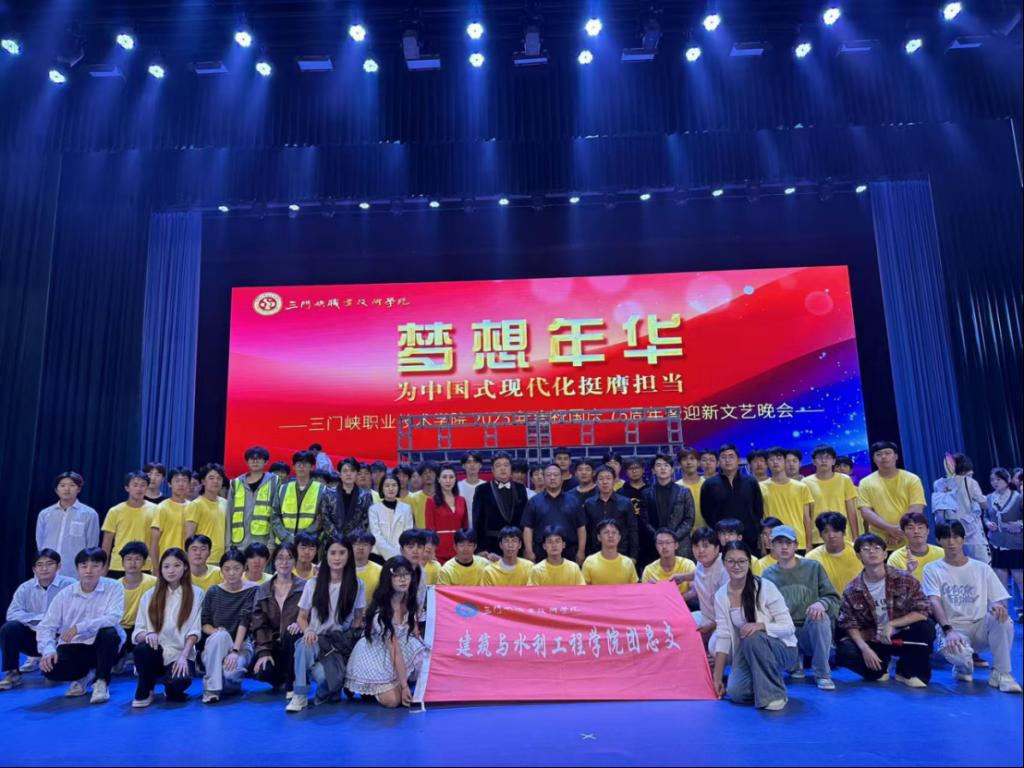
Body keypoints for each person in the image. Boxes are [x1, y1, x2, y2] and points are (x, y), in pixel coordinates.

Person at [923, 521, 1021, 692]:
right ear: (938, 540)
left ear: (963, 539)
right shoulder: (932, 569)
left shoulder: (982, 568)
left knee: (1003, 619)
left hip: (980, 626)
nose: (951, 542)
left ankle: (1002, 673)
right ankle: (963, 667)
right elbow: (934, 601)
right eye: (946, 537)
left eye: (955, 537)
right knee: (959, 655)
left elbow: (998, 598)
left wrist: (997, 605)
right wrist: (948, 630)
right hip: (953, 628)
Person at [835, 533, 935, 687]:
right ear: (858, 555)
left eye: (877, 548)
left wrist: (892, 624)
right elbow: (849, 623)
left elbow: (923, 610)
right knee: (845, 650)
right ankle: (880, 668)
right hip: (874, 639)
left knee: (926, 627)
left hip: (902, 636)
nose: (872, 552)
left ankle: (906, 669)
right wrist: (864, 648)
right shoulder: (852, 589)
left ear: (885, 554)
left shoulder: (905, 579)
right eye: (866, 549)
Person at [712, 542, 797, 710]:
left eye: (741, 561)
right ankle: (764, 684)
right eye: (731, 561)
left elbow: (789, 627)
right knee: (736, 693)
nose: (736, 566)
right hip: (747, 651)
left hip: (782, 648)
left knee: (753, 636)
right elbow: (723, 637)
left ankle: (775, 694)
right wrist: (717, 677)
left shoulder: (766, 587)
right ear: (724, 563)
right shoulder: (720, 596)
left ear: (749, 563)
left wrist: (761, 626)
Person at [34, 547, 124, 703]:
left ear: (103, 568)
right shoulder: (65, 594)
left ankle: (101, 681)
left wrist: (79, 627)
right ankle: (83, 675)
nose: (89, 570)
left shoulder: (114, 587)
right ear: (77, 569)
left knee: (109, 633)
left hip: (103, 644)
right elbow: (46, 626)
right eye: (84, 566)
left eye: (95, 565)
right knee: (50, 669)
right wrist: (48, 650)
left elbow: (114, 617)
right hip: (74, 644)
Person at [289, 535, 366, 711]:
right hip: (316, 639)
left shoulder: (357, 585)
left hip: (338, 644)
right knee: (303, 645)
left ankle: (327, 691)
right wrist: (308, 630)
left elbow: (357, 619)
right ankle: (299, 695)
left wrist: (348, 648)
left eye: (342, 553)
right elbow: (301, 617)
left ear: (349, 555)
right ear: (326, 555)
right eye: (333, 553)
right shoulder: (313, 584)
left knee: (325, 677)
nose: (337, 558)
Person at [761, 525, 840, 690]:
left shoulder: (813, 567)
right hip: (785, 633)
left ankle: (822, 673)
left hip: (810, 630)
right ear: (771, 546)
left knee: (820, 617)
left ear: (796, 545)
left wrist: (822, 603)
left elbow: (833, 599)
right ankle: (793, 663)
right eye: (779, 542)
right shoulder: (767, 575)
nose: (784, 547)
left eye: (788, 543)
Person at [346, 556, 428, 707]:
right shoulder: (382, 611)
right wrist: (404, 687)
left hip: (401, 647)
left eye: (406, 574)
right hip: (376, 654)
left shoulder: (411, 601)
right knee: (393, 701)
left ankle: (398, 682)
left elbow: (414, 633)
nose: (403, 579)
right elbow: (394, 649)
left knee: (423, 655)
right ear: (388, 579)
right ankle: (368, 688)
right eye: (397, 575)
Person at [131, 547, 202, 707]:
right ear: (161, 569)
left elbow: (194, 631)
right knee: (143, 648)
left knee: (178, 684)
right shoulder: (149, 595)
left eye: (176, 565)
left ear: (185, 567)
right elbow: (138, 631)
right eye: (166, 566)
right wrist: (148, 635)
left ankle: (170, 687)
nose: (171, 570)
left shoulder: (196, 594)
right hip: (155, 652)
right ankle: (146, 689)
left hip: (180, 654)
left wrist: (184, 657)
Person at [0, 549, 75, 689]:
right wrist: (42, 618)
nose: (44, 568)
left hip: (60, 639)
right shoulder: (25, 588)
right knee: (9, 628)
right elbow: (12, 614)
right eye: (39, 565)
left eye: (49, 564)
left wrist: (51, 622)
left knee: (53, 678)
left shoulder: (70, 585)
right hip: (33, 637)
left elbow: (76, 614)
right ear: (34, 569)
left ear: (58, 566)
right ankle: (12, 672)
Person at [200, 548, 256, 703]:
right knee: (220, 635)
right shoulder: (213, 592)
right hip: (215, 645)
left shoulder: (252, 590)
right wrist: (215, 631)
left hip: (241, 645)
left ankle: (228, 686)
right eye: (227, 569)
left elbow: (245, 621)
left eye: (236, 568)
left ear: (244, 568)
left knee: (229, 675)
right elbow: (204, 623)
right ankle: (211, 690)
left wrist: (235, 651)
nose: (232, 573)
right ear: (221, 570)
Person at [249, 544, 306, 696]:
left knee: (293, 633)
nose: (284, 562)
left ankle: (294, 682)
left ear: (295, 561)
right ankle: (282, 678)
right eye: (280, 558)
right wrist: (264, 652)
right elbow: (258, 623)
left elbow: (312, 614)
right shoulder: (263, 589)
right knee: (262, 671)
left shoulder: (305, 587)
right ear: (273, 561)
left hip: (296, 645)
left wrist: (301, 624)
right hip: (273, 645)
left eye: (289, 558)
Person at [856, 441, 926, 551]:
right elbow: (865, 511)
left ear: (896, 456)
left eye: (887, 453)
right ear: (873, 459)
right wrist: (889, 529)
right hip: (879, 542)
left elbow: (917, 507)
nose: (883, 457)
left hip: (910, 538)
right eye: (879, 454)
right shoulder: (865, 482)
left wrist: (899, 530)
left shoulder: (912, 479)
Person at [701, 444, 764, 553]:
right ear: (719, 462)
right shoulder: (709, 484)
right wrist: (720, 530)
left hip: (749, 537)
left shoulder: (750, 482)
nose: (727, 460)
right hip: (721, 539)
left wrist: (754, 530)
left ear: (738, 460)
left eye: (731, 456)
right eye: (723, 457)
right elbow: (706, 512)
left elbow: (758, 509)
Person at [36, 471, 99, 578]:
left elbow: (91, 546)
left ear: (79, 489)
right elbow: (40, 543)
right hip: (47, 570)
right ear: (56, 490)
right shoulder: (45, 514)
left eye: (72, 485)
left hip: (74, 570)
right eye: (62, 485)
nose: (67, 489)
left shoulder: (89, 514)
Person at [522, 464, 587, 565]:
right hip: (541, 552)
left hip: (569, 552)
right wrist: (529, 551)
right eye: (548, 475)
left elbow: (581, 528)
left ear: (562, 479)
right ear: (544, 478)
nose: (552, 478)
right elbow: (528, 529)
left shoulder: (574, 500)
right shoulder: (534, 501)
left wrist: (581, 551)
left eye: (556, 475)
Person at [933, 453, 990, 563]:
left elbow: (938, 513)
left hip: (950, 535)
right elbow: (985, 505)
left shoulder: (938, 484)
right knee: (982, 567)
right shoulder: (970, 482)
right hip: (972, 535)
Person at [472, 451, 529, 559]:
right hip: (490, 547)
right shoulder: (482, 490)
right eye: (498, 466)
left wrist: (526, 547)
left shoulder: (520, 488)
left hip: (516, 545)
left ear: (511, 468)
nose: (503, 468)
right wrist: (479, 549)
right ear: (492, 470)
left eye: (506, 465)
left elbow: (525, 520)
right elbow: (477, 522)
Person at [101, 472, 157, 578]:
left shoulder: (156, 510)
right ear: (127, 488)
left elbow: (156, 542)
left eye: (143, 485)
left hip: (145, 565)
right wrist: (103, 567)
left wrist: (156, 566)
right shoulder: (115, 511)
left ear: (147, 488)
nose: (139, 489)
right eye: (135, 485)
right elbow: (107, 543)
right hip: (118, 565)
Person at [759, 447, 814, 552]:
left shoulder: (801, 487)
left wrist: (809, 545)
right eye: (771, 459)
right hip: (772, 542)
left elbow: (807, 519)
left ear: (785, 461)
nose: (775, 462)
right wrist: (762, 546)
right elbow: (760, 519)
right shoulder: (760, 487)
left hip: (798, 541)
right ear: (767, 464)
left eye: (779, 458)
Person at [803, 445, 861, 545]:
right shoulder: (805, 482)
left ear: (834, 461)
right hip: (817, 536)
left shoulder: (844, 480)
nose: (823, 461)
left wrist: (856, 537)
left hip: (842, 535)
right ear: (814, 461)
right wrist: (808, 542)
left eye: (827, 457)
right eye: (820, 457)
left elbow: (851, 511)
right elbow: (806, 515)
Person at [271, 451, 332, 546]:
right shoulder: (282, 488)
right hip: (284, 543)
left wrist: (303, 537)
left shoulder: (322, 489)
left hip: (310, 542)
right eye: (298, 464)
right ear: (293, 467)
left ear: (312, 467)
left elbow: (322, 518)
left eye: (305, 464)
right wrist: (285, 536)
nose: (301, 467)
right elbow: (274, 515)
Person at [642, 453, 696, 559]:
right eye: (658, 465)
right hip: (656, 545)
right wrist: (659, 537)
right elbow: (645, 520)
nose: (663, 468)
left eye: (666, 465)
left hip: (680, 544)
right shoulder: (646, 493)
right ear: (653, 470)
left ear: (672, 470)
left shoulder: (684, 491)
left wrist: (673, 537)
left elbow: (689, 519)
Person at [228, 446, 280, 551]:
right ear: (247, 462)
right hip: (238, 544)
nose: (255, 461)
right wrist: (228, 545)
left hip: (263, 543)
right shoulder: (236, 483)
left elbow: (275, 514)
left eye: (259, 458)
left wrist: (271, 544)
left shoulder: (274, 481)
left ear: (266, 462)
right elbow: (229, 514)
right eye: (252, 458)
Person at [114, 542, 156, 673]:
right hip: (121, 628)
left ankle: (140, 660)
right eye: (128, 559)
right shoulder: (115, 586)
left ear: (144, 562)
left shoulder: (153, 582)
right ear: (122, 563)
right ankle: (121, 656)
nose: (133, 563)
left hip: (144, 627)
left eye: (137, 559)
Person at [984, 468, 1022, 607]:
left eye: (998, 479)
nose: (995, 482)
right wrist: (988, 523)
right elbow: (985, 516)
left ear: (1007, 480)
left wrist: (1019, 524)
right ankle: (1005, 617)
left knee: (1020, 582)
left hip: (1015, 545)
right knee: (1001, 586)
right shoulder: (989, 498)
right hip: (997, 544)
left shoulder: (1018, 497)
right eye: (992, 480)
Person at [584, 465, 637, 559]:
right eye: (601, 479)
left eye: (608, 478)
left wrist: (634, 556)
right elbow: (586, 531)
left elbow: (632, 530)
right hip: (595, 554)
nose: (605, 482)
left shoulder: (625, 502)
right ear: (596, 482)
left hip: (622, 552)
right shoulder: (589, 503)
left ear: (614, 481)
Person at [182, 463, 229, 565]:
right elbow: (189, 536)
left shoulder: (226, 503)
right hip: (202, 559)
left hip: (223, 559)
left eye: (219, 478)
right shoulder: (196, 505)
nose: (215, 481)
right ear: (203, 481)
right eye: (211, 478)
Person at [806, 513, 863, 595]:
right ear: (820, 535)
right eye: (826, 532)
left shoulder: (858, 550)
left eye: (835, 530)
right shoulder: (811, 558)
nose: (831, 535)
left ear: (844, 532)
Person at [688, 528, 726, 650]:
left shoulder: (725, 567)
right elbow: (698, 573)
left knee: (715, 648)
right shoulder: (701, 562)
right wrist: (681, 577)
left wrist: (713, 625)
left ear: (717, 548)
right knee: (681, 625)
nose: (700, 550)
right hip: (706, 616)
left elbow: (732, 610)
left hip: (726, 622)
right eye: (696, 546)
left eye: (705, 546)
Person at [425, 466, 468, 561]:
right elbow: (429, 529)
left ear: (455, 479)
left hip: (459, 548)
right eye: (444, 477)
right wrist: (431, 551)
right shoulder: (431, 501)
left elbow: (465, 527)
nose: (448, 481)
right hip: (439, 549)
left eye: (451, 477)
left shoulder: (462, 500)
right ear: (438, 479)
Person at [887, 511, 945, 581]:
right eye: (910, 528)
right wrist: (908, 572)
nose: (916, 531)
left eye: (920, 527)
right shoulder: (896, 558)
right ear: (904, 533)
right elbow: (893, 584)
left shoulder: (942, 553)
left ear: (927, 531)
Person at [368, 473, 414, 561]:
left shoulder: (406, 508)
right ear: (382, 488)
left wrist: (397, 552)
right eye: (387, 486)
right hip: (378, 556)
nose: (391, 488)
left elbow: (407, 534)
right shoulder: (373, 509)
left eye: (394, 485)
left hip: (401, 555)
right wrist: (391, 553)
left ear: (398, 487)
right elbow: (376, 535)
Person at [150, 467, 192, 561]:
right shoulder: (162, 508)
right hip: (166, 560)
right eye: (177, 481)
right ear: (169, 484)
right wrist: (156, 566)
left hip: (187, 561)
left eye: (184, 480)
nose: (181, 484)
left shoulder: (193, 507)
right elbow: (154, 542)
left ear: (189, 484)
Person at [582, 520, 639, 585]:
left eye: (614, 532)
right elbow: (584, 589)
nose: (610, 535)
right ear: (599, 537)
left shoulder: (628, 563)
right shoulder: (589, 562)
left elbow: (635, 589)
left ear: (619, 537)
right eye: (606, 532)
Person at [642, 528, 696, 595]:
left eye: (668, 542)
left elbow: (694, 591)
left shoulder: (687, 564)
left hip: (684, 600)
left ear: (676, 545)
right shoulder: (649, 570)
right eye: (660, 543)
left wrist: (677, 600)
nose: (664, 546)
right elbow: (645, 595)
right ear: (656, 546)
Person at [677, 447, 707, 530]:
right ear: (679, 464)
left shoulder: (707, 484)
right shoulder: (676, 487)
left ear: (698, 462)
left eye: (692, 459)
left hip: (707, 533)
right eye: (684, 459)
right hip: (683, 533)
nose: (689, 462)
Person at [405, 460, 438, 529]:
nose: (428, 475)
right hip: (420, 534)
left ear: (436, 475)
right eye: (425, 473)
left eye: (431, 472)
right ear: (420, 476)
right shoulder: (413, 498)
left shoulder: (443, 496)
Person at [350, 530, 383, 599]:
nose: (360, 547)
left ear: (371, 548)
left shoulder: (380, 571)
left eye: (365, 544)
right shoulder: (340, 568)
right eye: (357, 544)